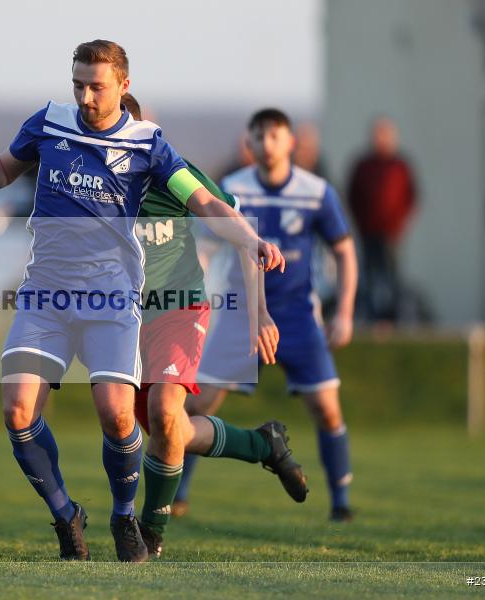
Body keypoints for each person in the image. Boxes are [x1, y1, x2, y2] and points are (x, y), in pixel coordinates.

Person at [0, 40, 283, 562]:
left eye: (97, 86)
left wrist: (251, 240)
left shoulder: (148, 144)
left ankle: (126, 515)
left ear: (123, 86)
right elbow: (2, 170)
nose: (85, 96)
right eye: (78, 84)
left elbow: (204, 203)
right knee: (18, 410)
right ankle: (66, 517)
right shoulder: (49, 122)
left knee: (117, 413)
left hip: (111, 296)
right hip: (47, 293)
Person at [121, 94, 307, 559]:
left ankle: (150, 534)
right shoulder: (91, 183)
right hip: (124, 319)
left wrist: (258, 312)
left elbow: (237, 230)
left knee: (166, 412)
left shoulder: (172, 172)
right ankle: (263, 444)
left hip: (179, 306)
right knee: (175, 432)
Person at [177, 108, 359, 523]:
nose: (267, 144)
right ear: (249, 143)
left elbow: (345, 252)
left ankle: (341, 503)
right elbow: (206, 241)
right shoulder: (234, 188)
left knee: (327, 409)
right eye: (258, 136)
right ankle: (180, 495)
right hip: (240, 315)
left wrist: (344, 311)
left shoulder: (315, 192)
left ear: (291, 142)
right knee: (197, 403)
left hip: (296, 317)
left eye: (275, 136)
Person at [346, 116, 417, 322]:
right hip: (368, 232)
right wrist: (361, 222)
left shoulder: (400, 166)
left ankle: (392, 320)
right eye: (378, 135)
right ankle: (370, 319)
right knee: (368, 278)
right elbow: (353, 196)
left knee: (392, 278)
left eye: (385, 135)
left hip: (392, 234)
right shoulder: (363, 166)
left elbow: (411, 197)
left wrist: (399, 223)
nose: (381, 139)